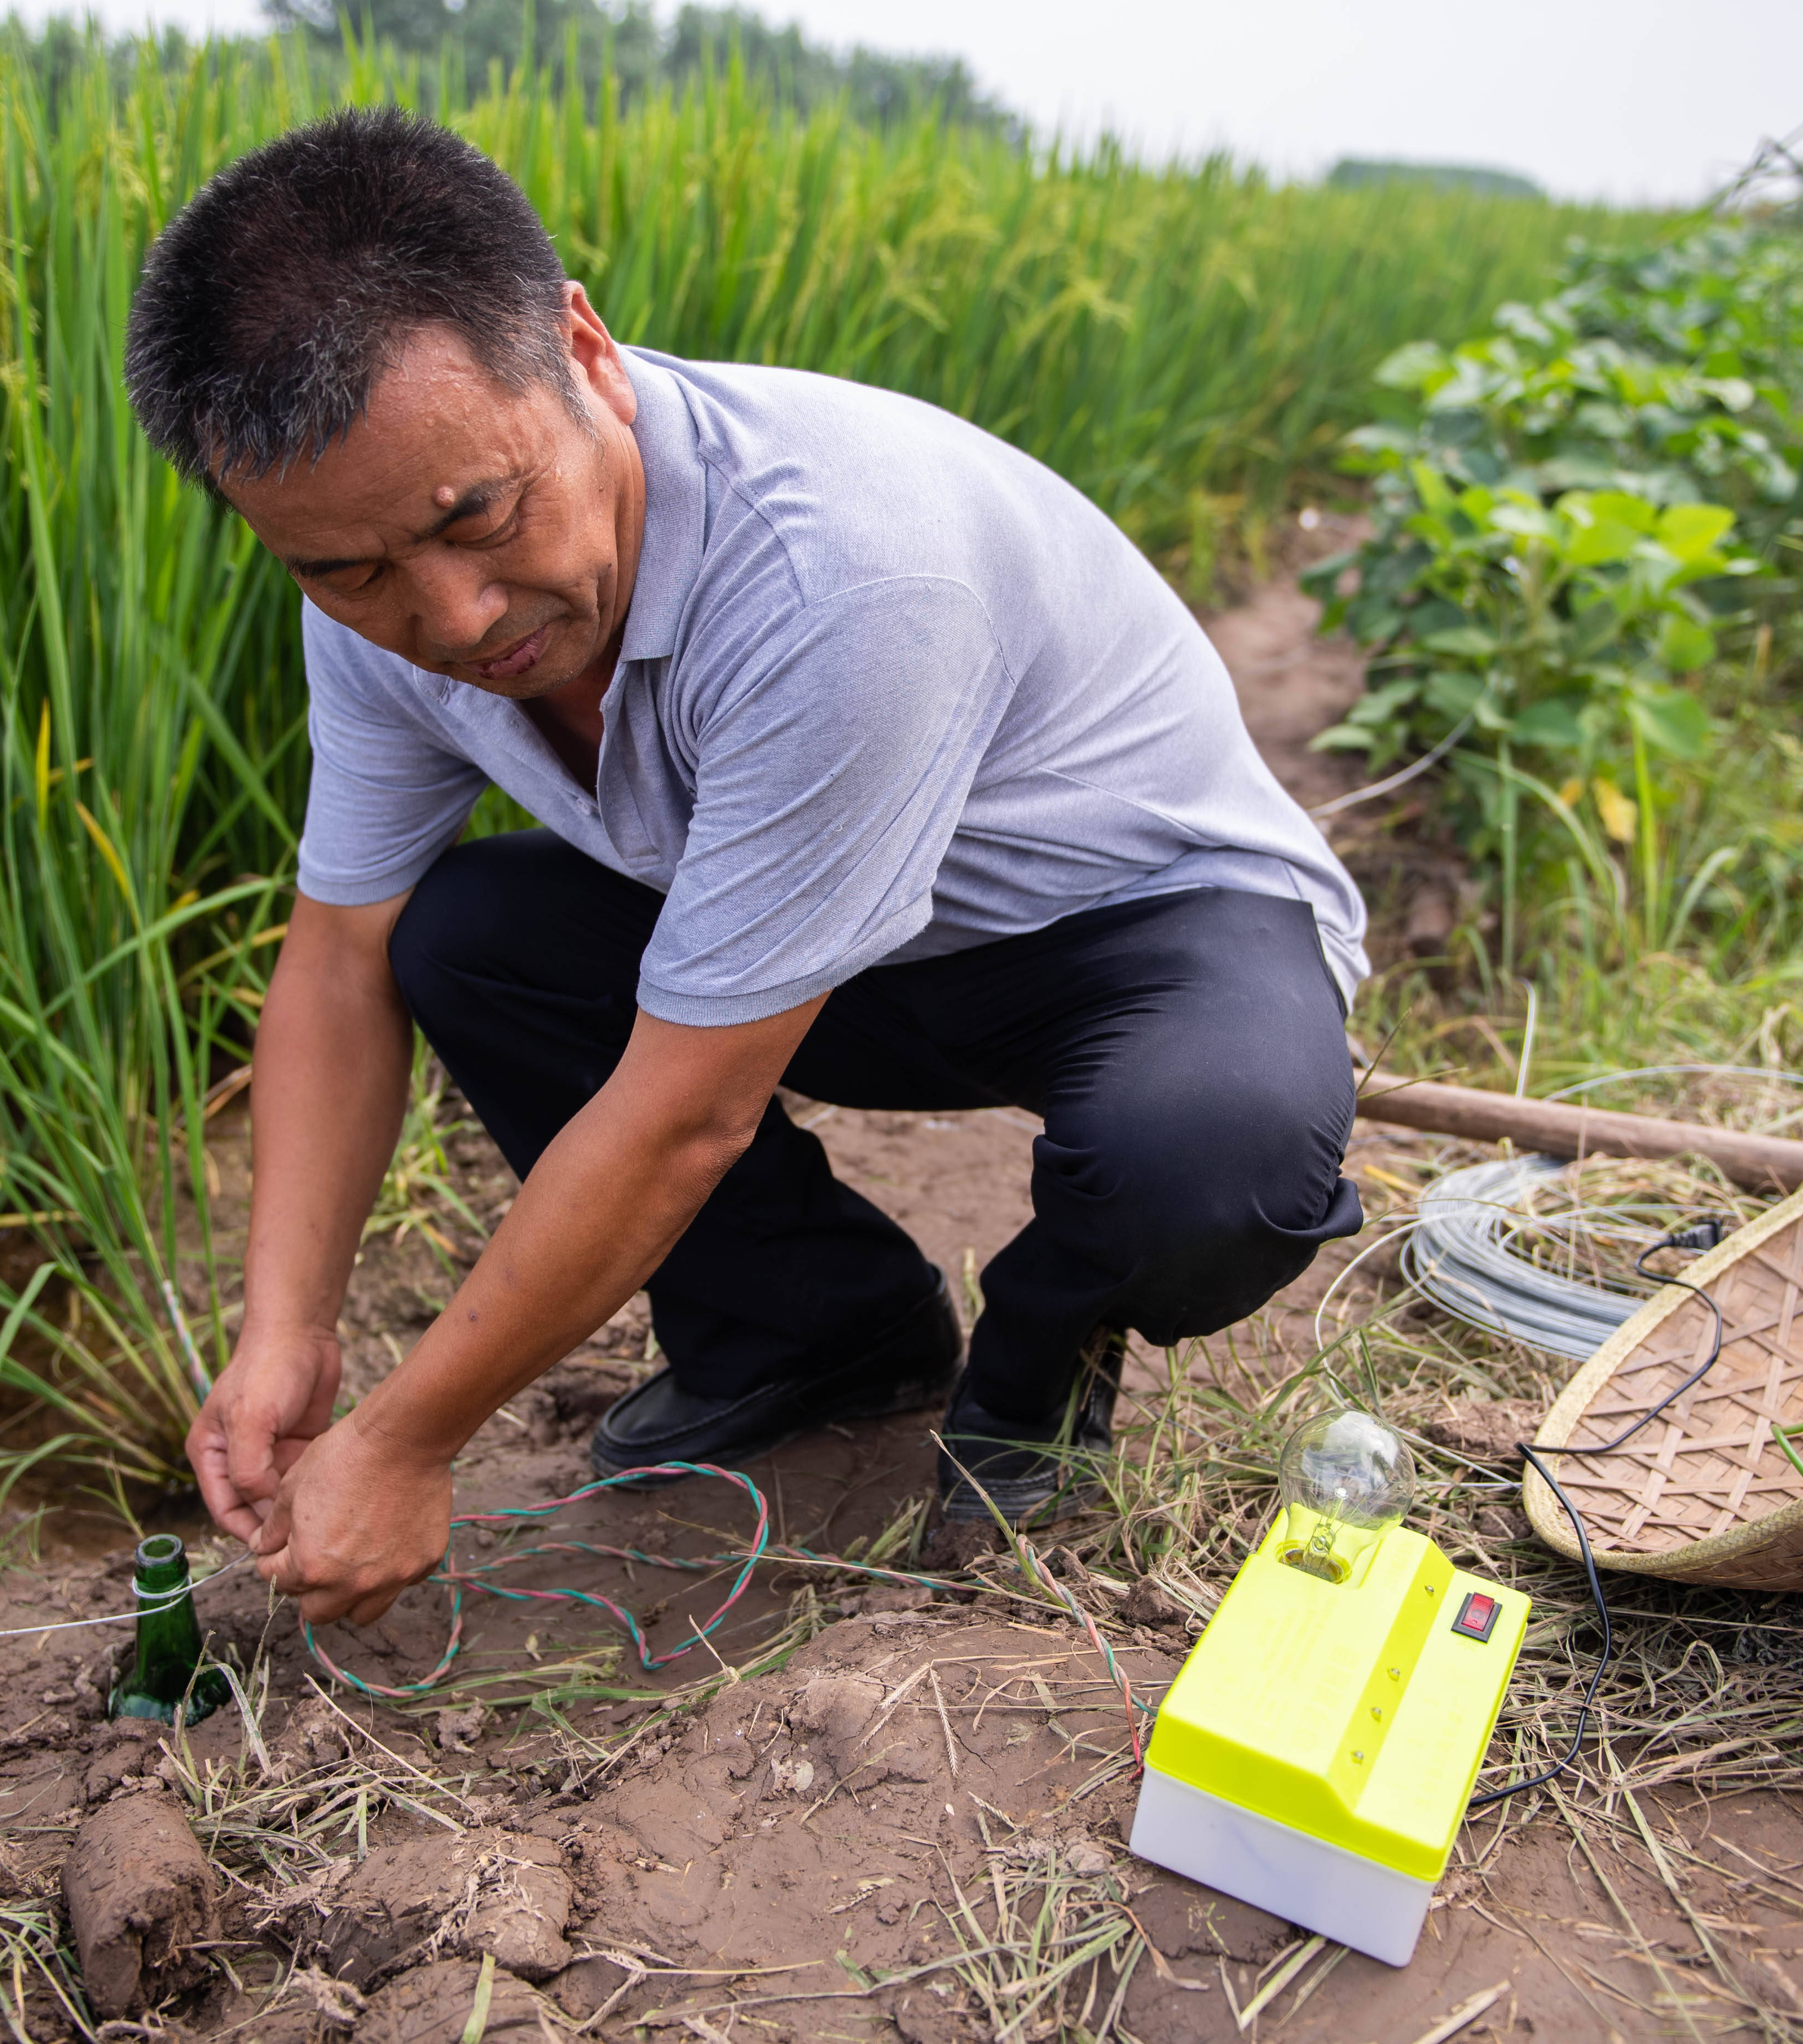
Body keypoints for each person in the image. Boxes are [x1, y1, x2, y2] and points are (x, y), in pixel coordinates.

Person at [125, 107, 1368, 1633]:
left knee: (1209, 1162)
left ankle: (1036, 1382)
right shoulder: (376, 589)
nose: (450, 618)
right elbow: (335, 958)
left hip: (1125, 928)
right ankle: (813, 1337)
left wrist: (407, 1439)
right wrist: (285, 1334)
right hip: (837, 953)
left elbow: (682, 1115)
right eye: (349, 568)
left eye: (479, 517)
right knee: (462, 935)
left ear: (582, 352)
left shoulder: (841, 572)